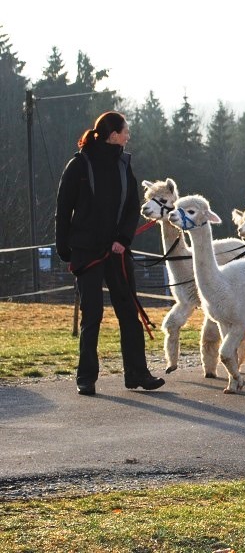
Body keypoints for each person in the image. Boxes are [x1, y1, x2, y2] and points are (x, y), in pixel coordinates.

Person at [55, 111, 164, 396]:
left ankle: (138, 373)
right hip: (87, 252)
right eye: (126, 131)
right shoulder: (78, 165)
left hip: (117, 251)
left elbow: (131, 207)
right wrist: (64, 249)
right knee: (93, 315)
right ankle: (86, 377)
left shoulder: (123, 165)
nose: (128, 136)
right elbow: (63, 209)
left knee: (129, 312)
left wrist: (123, 239)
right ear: (113, 134)